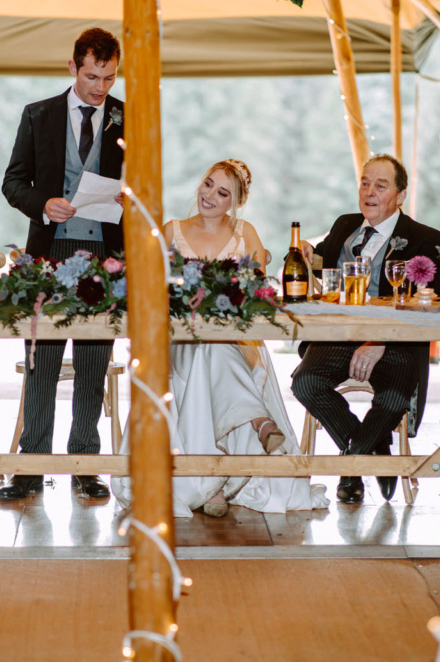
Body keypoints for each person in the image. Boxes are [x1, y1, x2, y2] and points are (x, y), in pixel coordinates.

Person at [112, 159, 329, 517]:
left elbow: (258, 293)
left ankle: (212, 485)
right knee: (206, 352)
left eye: (222, 192)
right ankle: (257, 426)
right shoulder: (171, 230)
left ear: (235, 202)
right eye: (208, 184)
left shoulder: (246, 234)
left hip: (236, 341)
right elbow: (142, 277)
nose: (210, 195)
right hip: (180, 342)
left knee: (215, 350)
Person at [0, 27, 124, 501]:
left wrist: (128, 198)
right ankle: (30, 468)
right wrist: (42, 203)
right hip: (48, 255)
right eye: (92, 76)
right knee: (42, 364)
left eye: (109, 78)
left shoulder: (127, 119)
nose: (100, 87)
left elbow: (143, 187)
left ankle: (85, 466)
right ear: (72, 67)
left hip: (104, 257)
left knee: (93, 364)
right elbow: (13, 183)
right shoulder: (38, 115)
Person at [291, 154, 440, 504]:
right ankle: (376, 450)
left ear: (400, 195)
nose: (369, 191)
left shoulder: (425, 239)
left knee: (393, 398)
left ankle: (351, 467)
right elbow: (324, 263)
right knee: (305, 382)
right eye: (364, 182)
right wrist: (307, 254)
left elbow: (429, 304)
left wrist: (380, 340)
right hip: (338, 337)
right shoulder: (346, 224)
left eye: (381, 184)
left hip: (395, 343)